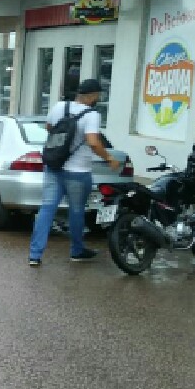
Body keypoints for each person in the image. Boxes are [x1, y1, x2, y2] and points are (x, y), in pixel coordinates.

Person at [28, 78, 122, 266]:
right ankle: (76, 250)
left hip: (54, 166)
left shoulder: (60, 107)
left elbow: (49, 128)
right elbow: (94, 142)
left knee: (47, 209)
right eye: (97, 95)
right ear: (93, 95)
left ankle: (35, 255)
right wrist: (109, 158)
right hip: (78, 171)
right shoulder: (92, 115)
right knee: (77, 210)